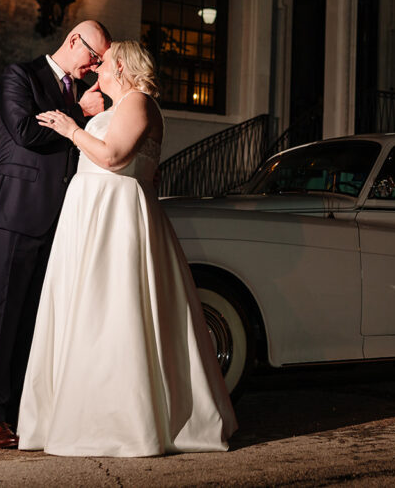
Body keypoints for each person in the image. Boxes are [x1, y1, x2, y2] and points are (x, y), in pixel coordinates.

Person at [17, 40, 237, 457]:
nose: (97, 67)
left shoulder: (138, 101)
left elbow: (116, 157)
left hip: (115, 219)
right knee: (85, 312)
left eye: (104, 61)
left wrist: (72, 129)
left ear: (121, 67)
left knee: (114, 311)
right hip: (93, 216)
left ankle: (123, 423)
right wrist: (88, 121)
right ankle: (71, 415)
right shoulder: (117, 107)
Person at [0, 20, 112, 449]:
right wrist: (80, 116)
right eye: (94, 55)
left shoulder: (79, 92)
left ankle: (15, 414)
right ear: (74, 40)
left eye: (102, 61)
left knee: (30, 323)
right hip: (14, 214)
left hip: (58, 221)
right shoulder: (20, 75)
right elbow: (27, 131)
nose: (95, 65)